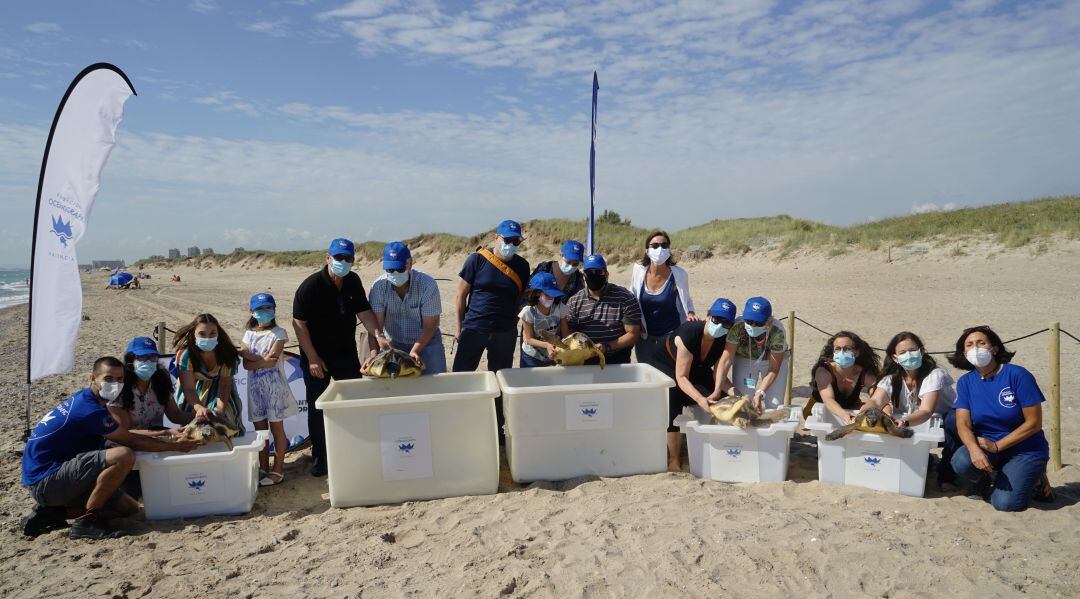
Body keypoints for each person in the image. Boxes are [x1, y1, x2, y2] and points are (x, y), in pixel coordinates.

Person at [21, 357, 201, 540]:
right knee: (123, 455)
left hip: (54, 475)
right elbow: (132, 441)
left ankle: (52, 514)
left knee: (129, 509)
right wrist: (175, 447)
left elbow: (123, 434)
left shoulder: (89, 399)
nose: (115, 384)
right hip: (46, 479)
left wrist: (166, 435)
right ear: (93, 378)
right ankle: (85, 523)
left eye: (120, 379)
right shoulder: (90, 409)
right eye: (108, 379)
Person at [293, 237, 387, 477]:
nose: (343, 262)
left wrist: (378, 334)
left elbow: (364, 313)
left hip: (345, 353)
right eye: (338, 258)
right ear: (328, 258)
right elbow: (299, 324)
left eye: (348, 259)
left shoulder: (353, 281)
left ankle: (354, 448)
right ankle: (320, 458)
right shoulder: (310, 287)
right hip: (317, 357)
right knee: (317, 407)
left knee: (352, 402)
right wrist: (313, 358)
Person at [946, 325, 1053, 511]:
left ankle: (1037, 480)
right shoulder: (966, 382)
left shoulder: (1017, 375)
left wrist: (998, 446)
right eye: (969, 345)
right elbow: (962, 423)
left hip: (1025, 448)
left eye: (981, 342)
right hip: (987, 444)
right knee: (961, 462)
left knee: (1005, 503)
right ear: (964, 353)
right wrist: (974, 450)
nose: (975, 348)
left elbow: (1034, 423)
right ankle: (988, 477)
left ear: (994, 348)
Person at [648, 298, 737, 471]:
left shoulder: (723, 340)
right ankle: (674, 459)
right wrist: (700, 398)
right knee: (673, 402)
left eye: (726, 323)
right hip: (666, 367)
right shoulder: (689, 333)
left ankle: (721, 444)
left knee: (723, 399)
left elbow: (719, 376)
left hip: (697, 368)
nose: (720, 325)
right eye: (716, 319)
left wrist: (735, 393)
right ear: (708, 316)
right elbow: (681, 377)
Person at [453, 219, 532, 373]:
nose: (511, 244)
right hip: (474, 328)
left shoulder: (523, 266)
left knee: (501, 378)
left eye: (516, 241)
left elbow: (521, 299)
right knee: (461, 375)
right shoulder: (477, 259)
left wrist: (512, 326)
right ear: (496, 238)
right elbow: (460, 296)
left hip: (505, 332)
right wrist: (458, 328)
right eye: (507, 240)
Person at [241, 292, 298, 487]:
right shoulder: (248, 334)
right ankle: (263, 466)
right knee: (260, 431)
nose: (264, 312)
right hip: (255, 391)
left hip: (275, 389)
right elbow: (246, 365)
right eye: (259, 309)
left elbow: (272, 359)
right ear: (252, 311)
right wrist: (261, 361)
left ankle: (278, 469)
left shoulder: (279, 333)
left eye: (267, 308)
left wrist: (254, 359)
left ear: (274, 310)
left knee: (277, 429)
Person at [369, 242, 446, 375]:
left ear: (410, 263)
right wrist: (375, 351)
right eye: (390, 270)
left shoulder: (427, 285)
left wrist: (415, 350)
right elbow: (377, 326)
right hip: (393, 343)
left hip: (426, 342)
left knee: (435, 383)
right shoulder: (378, 287)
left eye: (399, 269)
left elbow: (430, 325)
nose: (395, 273)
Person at [629, 230, 697, 364]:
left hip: (670, 335)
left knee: (669, 376)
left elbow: (686, 300)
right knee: (647, 375)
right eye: (654, 246)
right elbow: (632, 297)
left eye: (664, 245)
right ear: (647, 250)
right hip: (645, 336)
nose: (660, 249)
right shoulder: (638, 270)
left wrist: (690, 312)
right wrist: (635, 321)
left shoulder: (679, 274)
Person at [173, 313, 245, 434]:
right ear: (194, 334)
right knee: (194, 421)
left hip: (220, 388)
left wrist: (219, 411)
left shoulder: (227, 353)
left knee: (228, 415)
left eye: (212, 333)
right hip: (193, 388)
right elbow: (188, 388)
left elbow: (225, 385)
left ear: (218, 333)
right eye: (202, 334)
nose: (207, 338)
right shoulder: (186, 355)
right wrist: (199, 408)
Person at [565, 253, 642, 365]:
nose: (593, 275)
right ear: (583, 276)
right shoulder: (574, 301)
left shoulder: (625, 297)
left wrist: (607, 346)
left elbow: (633, 334)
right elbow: (569, 334)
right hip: (585, 361)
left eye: (598, 272)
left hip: (617, 361)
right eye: (589, 272)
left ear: (606, 274)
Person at [716, 297, 789, 412]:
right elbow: (726, 360)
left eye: (758, 322)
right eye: (749, 321)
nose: (753, 325)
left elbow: (774, 369)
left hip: (772, 362)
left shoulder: (777, 331)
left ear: (769, 321)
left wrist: (760, 392)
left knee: (774, 404)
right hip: (745, 358)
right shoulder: (737, 326)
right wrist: (717, 390)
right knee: (743, 401)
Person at [868, 332, 956, 426]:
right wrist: (862, 415)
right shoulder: (890, 379)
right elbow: (875, 401)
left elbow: (926, 411)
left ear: (921, 352)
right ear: (895, 358)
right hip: (914, 423)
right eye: (903, 352)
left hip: (945, 423)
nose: (909, 355)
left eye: (913, 350)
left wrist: (904, 422)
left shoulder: (935, 375)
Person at [108, 336, 190, 434]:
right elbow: (124, 432)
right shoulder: (118, 389)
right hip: (129, 444)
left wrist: (200, 417)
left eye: (153, 357)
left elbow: (175, 414)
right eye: (142, 357)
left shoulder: (161, 383)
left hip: (158, 439)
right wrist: (163, 433)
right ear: (130, 361)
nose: (148, 361)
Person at [803, 330, 879, 422]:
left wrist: (866, 409)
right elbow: (828, 400)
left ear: (857, 352)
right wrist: (844, 415)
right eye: (838, 348)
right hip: (820, 406)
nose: (842, 352)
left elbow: (877, 396)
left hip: (850, 405)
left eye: (847, 348)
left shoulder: (864, 373)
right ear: (833, 351)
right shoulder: (824, 371)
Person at [517, 272, 569, 367]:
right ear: (536, 293)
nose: (551, 298)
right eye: (548, 294)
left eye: (553, 294)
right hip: (532, 357)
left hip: (553, 354)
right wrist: (547, 345)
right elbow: (529, 339)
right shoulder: (528, 312)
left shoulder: (560, 307)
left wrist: (566, 348)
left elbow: (565, 334)